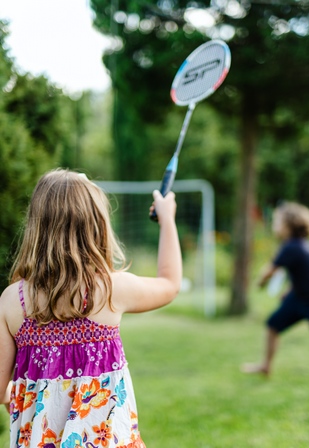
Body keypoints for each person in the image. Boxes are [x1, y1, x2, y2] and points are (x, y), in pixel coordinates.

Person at [0, 169, 182, 447]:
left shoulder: (13, 301)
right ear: (95, 224)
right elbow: (170, 283)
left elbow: (1, 391)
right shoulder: (110, 290)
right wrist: (167, 220)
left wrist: (34, 399)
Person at [242, 201, 309, 376]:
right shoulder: (299, 245)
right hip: (299, 297)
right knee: (273, 324)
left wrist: (259, 283)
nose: (274, 225)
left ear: (290, 225)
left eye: (278, 222)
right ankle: (266, 367)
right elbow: (302, 273)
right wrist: (290, 291)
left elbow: (270, 270)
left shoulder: (293, 246)